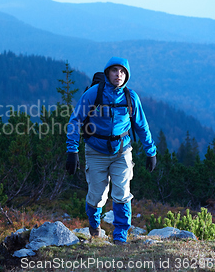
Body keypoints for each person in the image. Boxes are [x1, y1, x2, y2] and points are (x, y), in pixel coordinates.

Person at [65, 56, 157, 245]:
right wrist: (72, 151)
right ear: (107, 73)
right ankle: (94, 227)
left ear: (127, 75)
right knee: (97, 195)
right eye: (115, 70)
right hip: (95, 150)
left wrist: (151, 151)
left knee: (122, 193)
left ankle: (120, 237)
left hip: (122, 150)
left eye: (122, 71)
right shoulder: (93, 94)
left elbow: (141, 126)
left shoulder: (131, 97)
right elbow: (75, 120)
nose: (119, 74)